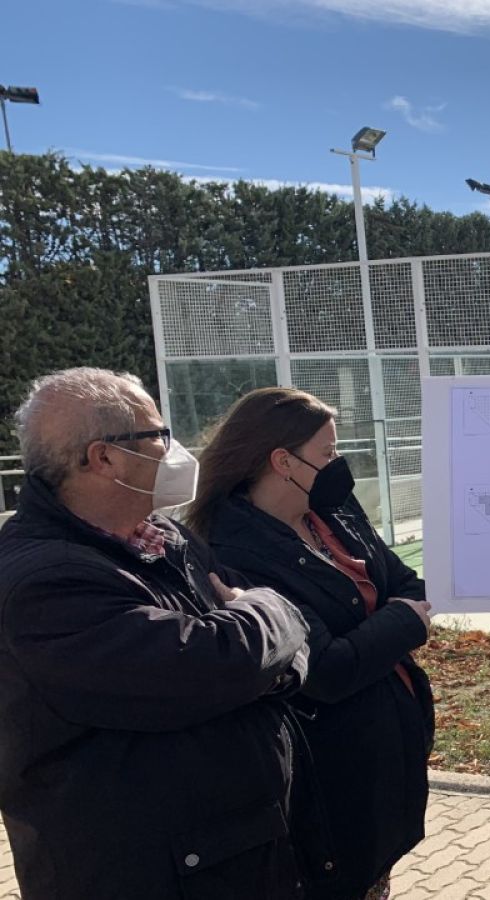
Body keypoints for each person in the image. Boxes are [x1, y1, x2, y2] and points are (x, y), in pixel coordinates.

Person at [0, 368, 311, 899]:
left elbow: (258, 652)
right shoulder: (45, 582)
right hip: (143, 875)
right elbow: (212, 664)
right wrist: (273, 610)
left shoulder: (162, 533)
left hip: (225, 857)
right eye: (159, 434)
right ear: (105, 458)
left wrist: (266, 658)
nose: (175, 450)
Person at [186, 387, 435, 900]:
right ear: (283, 462)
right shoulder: (237, 552)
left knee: (375, 879)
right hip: (328, 775)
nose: (339, 464)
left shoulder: (332, 513)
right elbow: (325, 670)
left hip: (381, 760)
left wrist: (384, 628)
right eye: (328, 452)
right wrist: (403, 623)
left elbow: (408, 583)